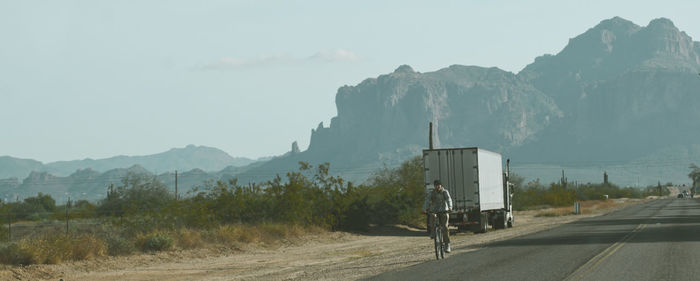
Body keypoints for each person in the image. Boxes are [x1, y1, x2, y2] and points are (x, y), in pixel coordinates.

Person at [423, 179, 453, 253]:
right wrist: (424, 209)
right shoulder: (432, 193)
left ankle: (447, 245)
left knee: (445, 227)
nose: (437, 187)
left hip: (444, 211)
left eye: (438, 186)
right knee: (432, 216)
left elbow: (449, 199)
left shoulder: (445, 192)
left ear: (441, 186)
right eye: (436, 186)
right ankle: (433, 232)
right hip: (435, 210)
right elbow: (427, 200)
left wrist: (450, 207)